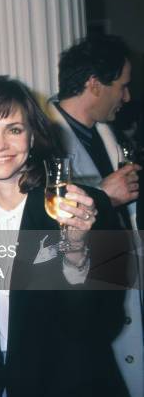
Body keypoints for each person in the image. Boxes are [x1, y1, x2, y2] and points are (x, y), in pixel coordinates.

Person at [0, 76, 128, 397]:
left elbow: (102, 324)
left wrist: (76, 249)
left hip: (72, 385)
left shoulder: (87, 207)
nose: (0, 145)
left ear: (32, 137)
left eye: (13, 129)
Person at [48, 34, 143, 396]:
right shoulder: (40, 139)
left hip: (121, 298)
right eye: (122, 86)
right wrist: (104, 195)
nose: (127, 97)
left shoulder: (109, 135)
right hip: (78, 312)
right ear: (94, 85)